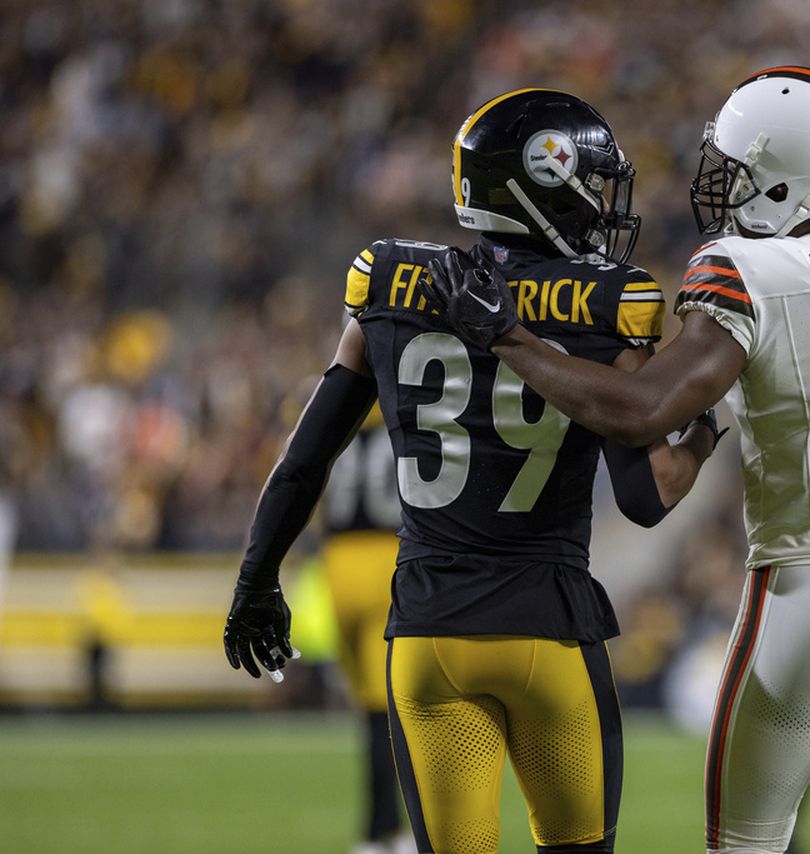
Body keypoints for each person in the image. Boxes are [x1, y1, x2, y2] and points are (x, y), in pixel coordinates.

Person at [426, 66, 810, 854]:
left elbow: (639, 413)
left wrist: (510, 338)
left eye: (739, 171)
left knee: (743, 844)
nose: (725, 190)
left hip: (808, 588)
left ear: (785, 180)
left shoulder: (753, 270)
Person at [222, 88, 722, 854]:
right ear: (539, 183)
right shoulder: (605, 302)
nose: (600, 201)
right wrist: (706, 435)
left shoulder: (388, 284)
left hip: (427, 639)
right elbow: (648, 497)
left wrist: (256, 581)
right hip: (546, 629)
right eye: (588, 181)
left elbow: (303, 461)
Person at [321, 406, 411, 854]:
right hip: (383, 564)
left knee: (369, 708)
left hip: (335, 568)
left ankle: (381, 829)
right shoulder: (402, 413)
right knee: (384, 712)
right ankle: (382, 830)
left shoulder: (333, 414)